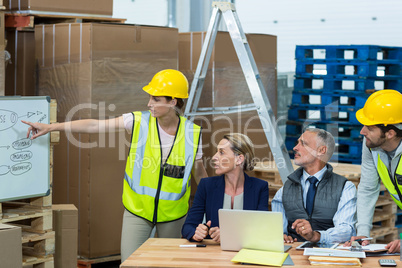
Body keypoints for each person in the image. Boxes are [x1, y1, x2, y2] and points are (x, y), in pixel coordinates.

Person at [22, 69, 208, 261]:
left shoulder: (192, 134)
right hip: (137, 213)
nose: (148, 103)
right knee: (129, 263)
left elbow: (199, 173)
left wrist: (211, 206)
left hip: (174, 216)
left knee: (169, 266)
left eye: (155, 99)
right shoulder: (138, 121)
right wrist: (52, 127)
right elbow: (95, 126)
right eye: (150, 98)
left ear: (173, 102)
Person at [272, 128, 357, 244]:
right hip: (295, 256)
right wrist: (281, 236)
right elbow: (277, 230)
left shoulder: (345, 188)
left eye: (303, 143)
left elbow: (346, 231)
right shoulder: (285, 190)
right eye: (297, 143)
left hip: (329, 256)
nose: (295, 148)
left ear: (321, 150)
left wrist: (316, 236)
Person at [181, 133, 269, 242]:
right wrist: (196, 233)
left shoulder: (260, 187)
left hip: (246, 254)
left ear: (239, 159)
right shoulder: (206, 185)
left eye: (221, 152)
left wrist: (230, 235)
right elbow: (188, 227)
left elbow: (262, 230)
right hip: (213, 254)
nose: (214, 157)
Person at [345, 89, 402, 253]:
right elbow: (368, 188)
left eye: (369, 127)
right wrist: (362, 232)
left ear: (390, 133)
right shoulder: (372, 145)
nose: (362, 131)